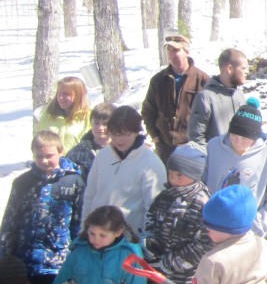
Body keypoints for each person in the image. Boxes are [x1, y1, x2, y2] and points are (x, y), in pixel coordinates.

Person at [140, 143, 212, 284]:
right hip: (155, 279)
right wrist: (148, 245)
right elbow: (149, 223)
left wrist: (167, 263)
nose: (173, 179)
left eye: (179, 175)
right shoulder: (163, 197)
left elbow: (202, 245)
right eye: (170, 173)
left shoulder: (203, 203)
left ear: (193, 174)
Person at [0, 132, 85, 284]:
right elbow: (9, 222)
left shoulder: (74, 181)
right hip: (27, 260)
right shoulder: (22, 183)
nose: (45, 160)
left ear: (61, 152)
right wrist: (5, 256)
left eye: (50, 156)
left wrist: (79, 254)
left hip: (60, 261)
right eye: (40, 156)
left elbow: (79, 221)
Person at [81, 105, 167, 239]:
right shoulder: (103, 156)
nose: (119, 140)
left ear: (137, 132)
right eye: (115, 134)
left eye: (126, 135)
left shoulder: (150, 163)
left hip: (127, 238)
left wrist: (145, 241)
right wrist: (84, 229)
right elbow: (90, 195)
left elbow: (153, 207)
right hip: (96, 236)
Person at [203, 98, 267, 238]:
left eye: (245, 138)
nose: (238, 142)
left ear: (255, 137)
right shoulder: (213, 146)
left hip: (249, 230)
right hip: (213, 228)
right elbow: (201, 184)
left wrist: (256, 226)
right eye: (234, 135)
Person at [142, 34, 210, 163]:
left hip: (192, 149)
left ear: (186, 52)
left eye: (176, 50)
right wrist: (156, 138)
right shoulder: (158, 80)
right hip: (165, 148)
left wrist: (200, 142)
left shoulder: (203, 80)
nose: (171, 54)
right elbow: (148, 111)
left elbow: (210, 116)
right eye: (169, 50)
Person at [188, 48, 248, 148]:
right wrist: (212, 156)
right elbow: (196, 137)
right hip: (216, 160)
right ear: (229, 69)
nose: (247, 72)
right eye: (243, 68)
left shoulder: (239, 94)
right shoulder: (206, 97)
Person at [33, 76, 91, 153]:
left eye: (66, 94)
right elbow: (38, 142)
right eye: (59, 93)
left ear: (78, 96)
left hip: (77, 164)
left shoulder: (89, 116)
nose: (61, 97)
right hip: (50, 163)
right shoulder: (48, 114)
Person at [66, 102, 115, 181]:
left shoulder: (122, 150)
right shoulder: (78, 152)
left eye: (105, 124)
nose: (100, 128)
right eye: (96, 123)